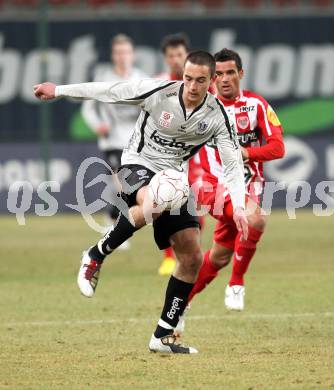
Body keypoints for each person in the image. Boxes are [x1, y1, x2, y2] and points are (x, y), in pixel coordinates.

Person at [34, 50, 248, 354]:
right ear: (182, 76)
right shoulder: (159, 92)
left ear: (211, 80)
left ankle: (162, 335)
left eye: (200, 80)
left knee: (191, 256)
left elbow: (232, 165)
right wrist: (60, 90)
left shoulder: (216, 116)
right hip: (136, 164)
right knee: (155, 199)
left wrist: (238, 204)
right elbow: (107, 91)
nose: (192, 86)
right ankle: (96, 254)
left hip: (173, 177)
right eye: (187, 78)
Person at [175, 48, 285, 336]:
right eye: (219, 74)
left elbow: (278, 147)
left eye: (230, 73)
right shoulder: (201, 107)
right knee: (256, 220)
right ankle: (237, 283)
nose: (224, 80)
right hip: (213, 185)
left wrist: (246, 152)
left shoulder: (257, 105)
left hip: (250, 187)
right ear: (211, 78)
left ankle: (179, 305)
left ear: (241, 74)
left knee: (220, 255)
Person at [82, 34, 146, 247]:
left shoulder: (141, 78)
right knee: (122, 183)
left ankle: (112, 219)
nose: (122, 56)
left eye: (126, 52)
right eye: (118, 52)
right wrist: (97, 125)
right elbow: (88, 108)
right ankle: (117, 226)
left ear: (132, 54)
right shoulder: (103, 77)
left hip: (136, 141)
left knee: (131, 187)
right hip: (112, 141)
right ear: (113, 55)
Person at [157, 33, 206, 276]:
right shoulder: (160, 85)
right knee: (165, 203)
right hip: (166, 155)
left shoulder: (204, 85)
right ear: (166, 59)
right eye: (171, 56)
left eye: (180, 54)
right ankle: (170, 257)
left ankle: (190, 252)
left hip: (197, 153)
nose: (176, 60)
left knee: (196, 202)